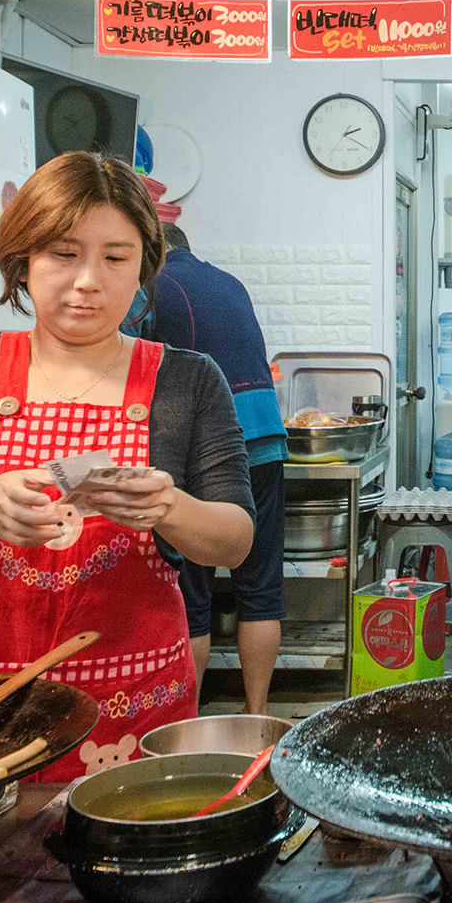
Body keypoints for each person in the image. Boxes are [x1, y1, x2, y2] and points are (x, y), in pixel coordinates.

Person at [0, 152, 254, 780]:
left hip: (132, 715)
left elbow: (234, 537)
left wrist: (168, 507)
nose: (88, 280)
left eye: (115, 258)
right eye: (64, 254)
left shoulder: (188, 381)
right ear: (24, 260)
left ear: (143, 268)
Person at [136, 214, 288, 716]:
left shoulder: (152, 287)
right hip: (265, 436)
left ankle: (187, 716)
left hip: (201, 448)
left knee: (192, 592)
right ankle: (258, 714)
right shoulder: (228, 282)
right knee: (260, 587)